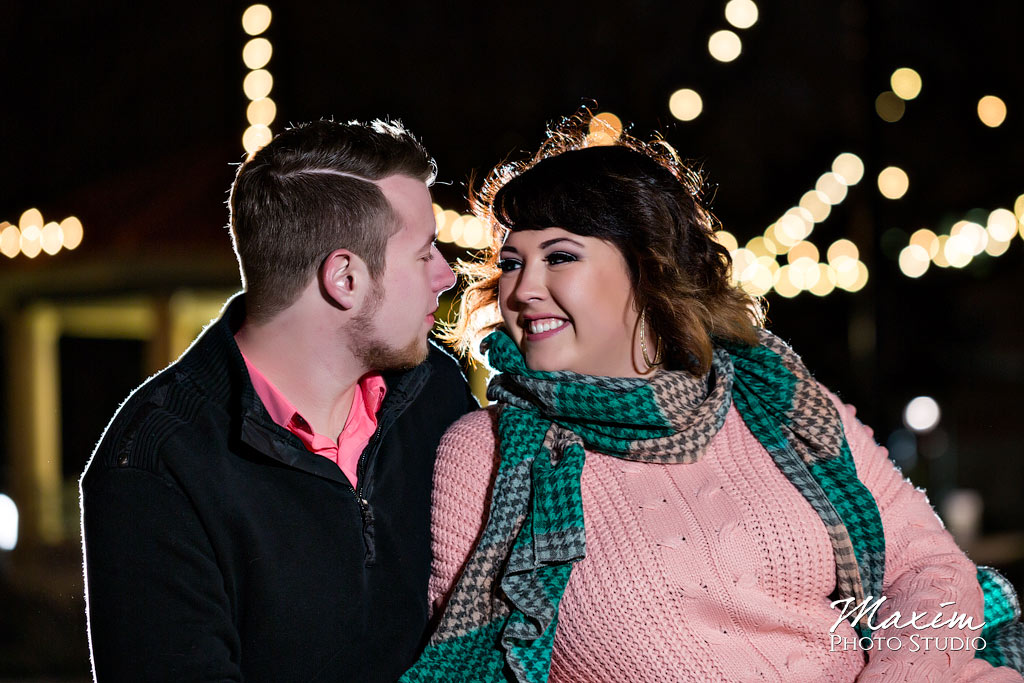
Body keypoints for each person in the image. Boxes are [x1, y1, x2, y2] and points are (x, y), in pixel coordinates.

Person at [402, 112, 1024, 682]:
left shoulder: (775, 400)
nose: (523, 288)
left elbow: (927, 569)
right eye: (512, 262)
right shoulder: (487, 455)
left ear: (648, 271)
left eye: (559, 256)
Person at [80, 119, 477, 682]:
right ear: (345, 277)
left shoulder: (435, 393)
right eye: (424, 253)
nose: (447, 273)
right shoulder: (156, 463)